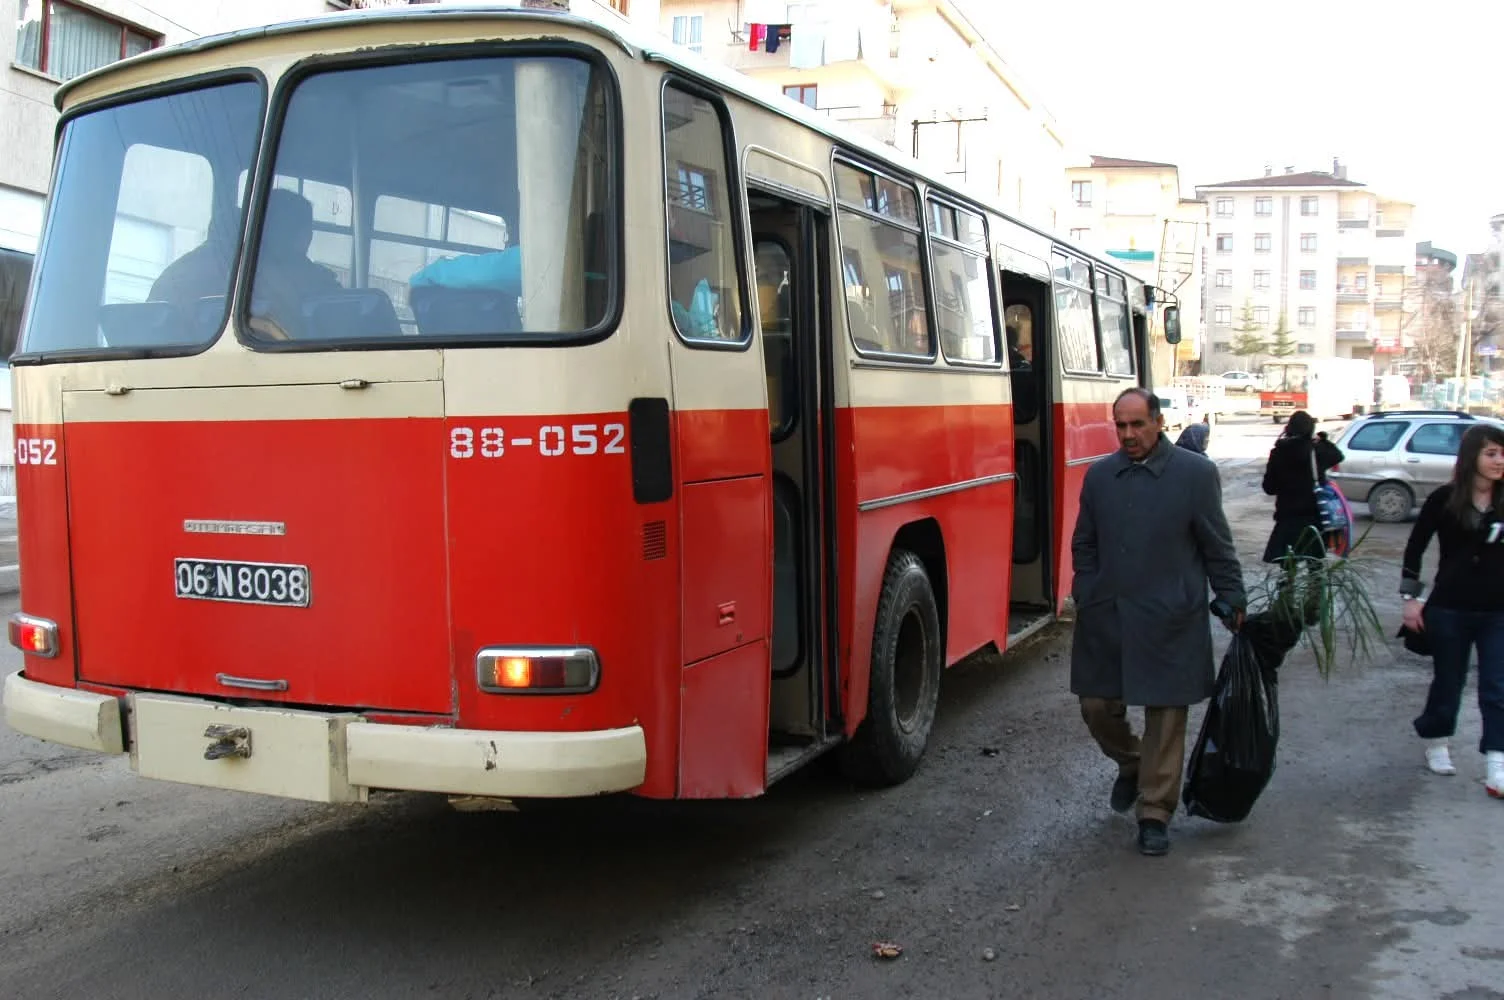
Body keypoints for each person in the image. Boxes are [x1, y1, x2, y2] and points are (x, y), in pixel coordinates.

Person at [1071, 388, 1247, 855]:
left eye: (1137, 424)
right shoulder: (1100, 476)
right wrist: (1085, 589)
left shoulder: (1195, 474)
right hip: (1109, 613)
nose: (1128, 434)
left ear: (1158, 422)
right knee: (1095, 705)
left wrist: (1231, 594)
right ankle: (1132, 762)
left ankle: (1155, 812)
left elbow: (1217, 544)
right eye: (1120, 425)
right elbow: (1084, 542)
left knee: (1167, 716)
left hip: (1171, 615)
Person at [1399, 422, 1504, 796]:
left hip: (1497, 612)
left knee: (1497, 686)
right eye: (1491, 453)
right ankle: (1437, 741)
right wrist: (1411, 600)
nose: (1499, 461)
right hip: (1449, 609)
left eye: (1503, 454)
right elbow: (1415, 548)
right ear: (1472, 456)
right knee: (1449, 680)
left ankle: (1497, 765)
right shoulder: (1444, 499)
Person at [1260, 410, 1344, 622]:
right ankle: (1313, 608)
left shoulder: (1279, 452)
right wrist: (1322, 440)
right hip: (1313, 518)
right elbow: (1337, 455)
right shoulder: (1317, 451)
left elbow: (1269, 488)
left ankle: (1285, 607)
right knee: (1315, 565)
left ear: (1288, 428)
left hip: (1287, 518)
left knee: (1287, 566)